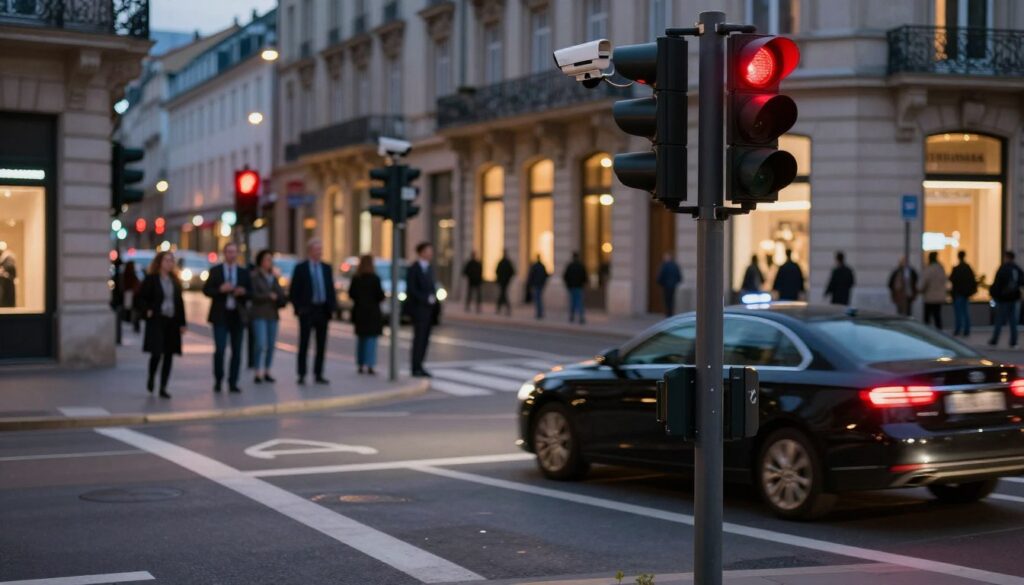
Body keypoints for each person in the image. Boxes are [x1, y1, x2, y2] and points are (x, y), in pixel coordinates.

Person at [203, 242, 250, 393]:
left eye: (234, 252)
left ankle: (233, 382)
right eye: (229, 252)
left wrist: (242, 292)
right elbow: (207, 290)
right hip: (220, 315)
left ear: (237, 254)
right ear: (225, 253)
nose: (232, 255)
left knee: (237, 351)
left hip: (237, 315)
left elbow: (251, 291)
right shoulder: (216, 271)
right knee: (220, 349)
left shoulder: (243, 272)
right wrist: (220, 290)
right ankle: (218, 379)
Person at [137, 251, 185, 398]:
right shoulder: (151, 279)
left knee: (169, 354)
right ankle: (152, 377)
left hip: (172, 321)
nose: (169, 263)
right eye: (166, 260)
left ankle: (163, 386)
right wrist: (147, 311)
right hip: (157, 319)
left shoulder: (175, 280)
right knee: (157, 353)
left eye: (171, 261)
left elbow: (179, 303)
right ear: (159, 262)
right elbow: (141, 298)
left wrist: (182, 323)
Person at [289, 238, 337, 385]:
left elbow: (330, 289)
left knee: (321, 344)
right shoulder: (301, 268)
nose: (319, 252)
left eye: (320, 250)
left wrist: (332, 307)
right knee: (304, 343)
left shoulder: (326, 268)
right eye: (317, 250)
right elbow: (294, 290)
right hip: (307, 310)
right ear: (310, 251)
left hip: (322, 309)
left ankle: (318, 373)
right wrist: (298, 309)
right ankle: (302, 373)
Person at [250, 250, 286, 384]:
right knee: (260, 343)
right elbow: (253, 295)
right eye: (267, 260)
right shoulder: (255, 276)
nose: (269, 262)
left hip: (272, 314)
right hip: (259, 314)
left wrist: (278, 296)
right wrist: (268, 296)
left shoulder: (273, 277)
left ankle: (267, 370)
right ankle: (257, 371)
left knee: (271, 344)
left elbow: (281, 295)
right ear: (261, 261)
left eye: (270, 260)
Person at [349, 254, 385, 375]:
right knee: (371, 339)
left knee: (361, 339)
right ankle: (370, 364)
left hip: (360, 311)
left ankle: (360, 363)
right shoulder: (375, 278)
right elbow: (380, 295)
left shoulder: (356, 278)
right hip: (372, 312)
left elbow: (351, 294)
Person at [407, 242, 438, 377]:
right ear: (421, 253)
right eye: (427, 251)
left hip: (428, 311)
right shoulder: (414, 268)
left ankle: (420, 365)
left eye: (431, 251)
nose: (430, 253)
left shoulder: (429, 268)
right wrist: (425, 298)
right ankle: (415, 367)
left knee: (425, 339)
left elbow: (432, 286)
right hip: (418, 310)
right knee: (418, 339)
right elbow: (412, 289)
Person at [988, 250, 1022, 348]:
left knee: (999, 320)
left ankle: (995, 340)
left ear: (1007, 257)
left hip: (1003, 299)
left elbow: (997, 283)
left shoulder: (1003, 268)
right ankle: (1013, 341)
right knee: (1013, 321)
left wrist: (995, 294)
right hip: (1014, 298)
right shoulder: (1016, 269)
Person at [949, 250, 978, 337]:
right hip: (965, 294)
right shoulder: (968, 268)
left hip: (958, 293)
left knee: (959, 313)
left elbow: (952, 279)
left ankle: (958, 329)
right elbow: (973, 280)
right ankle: (966, 330)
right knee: (965, 312)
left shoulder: (957, 268)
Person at [919, 252, 947, 330]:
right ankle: (939, 333)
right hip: (939, 297)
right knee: (937, 316)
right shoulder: (941, 268)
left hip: (930, 297)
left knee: (927, 318)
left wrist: (920, 290)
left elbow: (924, 282)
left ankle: (927, 334)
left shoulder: (929, 269)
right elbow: (944, 281)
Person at [563, 251, 588, 324]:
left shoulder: (570, 266)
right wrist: (583, 283)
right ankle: (581, 317)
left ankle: (572, 316)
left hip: (572, 287)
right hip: (579, 287)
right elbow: (585, 276)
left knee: (572, 302)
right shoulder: (581, 265)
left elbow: (565, 276)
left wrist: (568, 285)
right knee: (579, 302)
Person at [526, 255, 549, 319]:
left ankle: (539, 313)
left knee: (537, 299)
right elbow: (546, 275)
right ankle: (540, 312)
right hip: (540, 284)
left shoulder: (535, 266)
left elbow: (531, 276)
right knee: (539, 299)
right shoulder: (542, 266)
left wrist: (529, 284)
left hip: (536, 284)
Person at [122, 260, 142, 332]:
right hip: (132, 295)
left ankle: (134, 324)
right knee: (134, 311)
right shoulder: (130, 274)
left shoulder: (127, 274)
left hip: (132, 295)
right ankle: (134, 324)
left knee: (133, 311)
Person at [495, 251, 515, 316]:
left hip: (504, 282)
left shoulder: (505, 263)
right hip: (503, 282)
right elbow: (497, 271)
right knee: (503, 294)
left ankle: (501, 308)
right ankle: (503, 308)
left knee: (503, 294)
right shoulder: (503, 262)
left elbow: (512, 272)